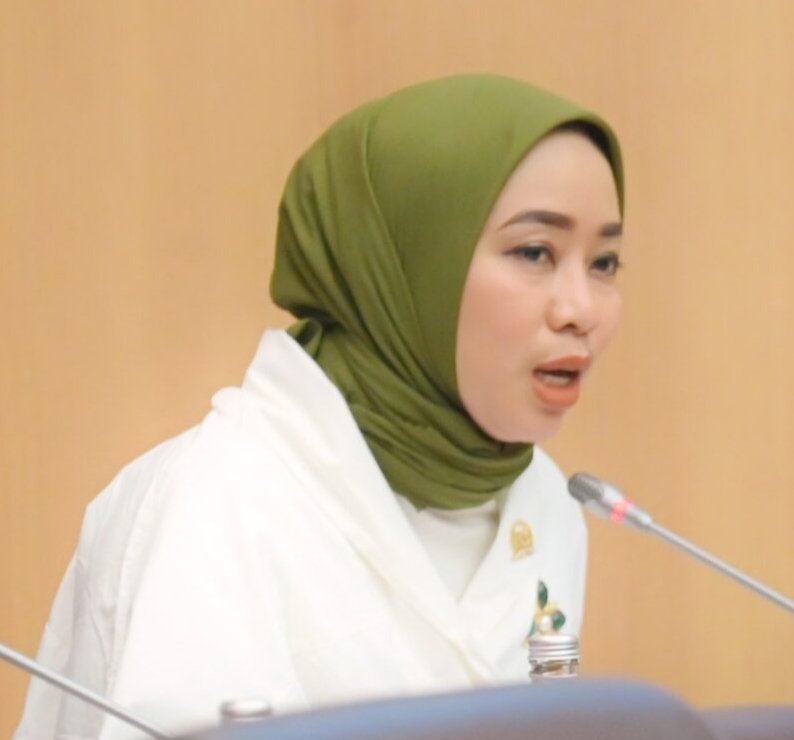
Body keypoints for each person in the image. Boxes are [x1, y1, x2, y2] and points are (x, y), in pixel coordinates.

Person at [15, 74, 624, 739]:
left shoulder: (549, 505)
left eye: (604, 263)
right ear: (404, 262)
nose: (582, 310)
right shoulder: (215, 503)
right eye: (535, 252)